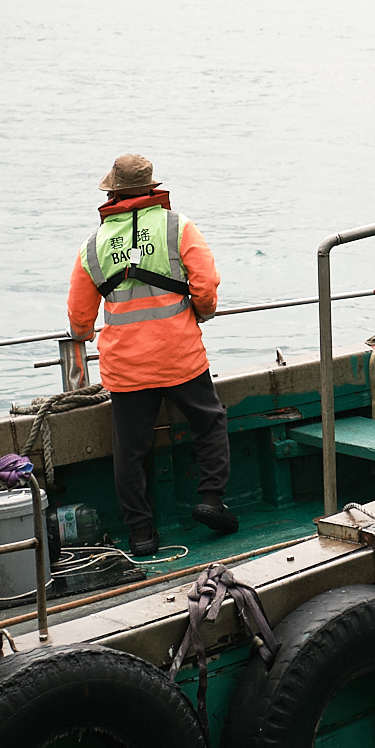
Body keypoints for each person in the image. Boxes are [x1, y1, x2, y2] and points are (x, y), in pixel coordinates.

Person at [67, 152, 238, 556]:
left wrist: (83, 333)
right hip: (180, 355)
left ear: (111, 192)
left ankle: (142, 534)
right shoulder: (178, 227)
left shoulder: (94, 244)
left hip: (125, 367)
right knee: (209, 423)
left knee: (130, 450)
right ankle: (211, 499)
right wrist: (202, 313)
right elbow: (206, 285)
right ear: (151, 187)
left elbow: (78, 316)